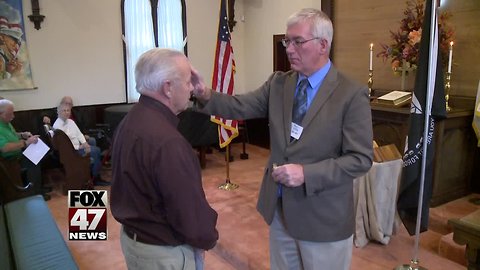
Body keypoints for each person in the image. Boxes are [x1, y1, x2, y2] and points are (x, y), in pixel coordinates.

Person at [191, 8, 373, 270]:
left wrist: (306, 174)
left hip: (323, 218)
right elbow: (240, 105)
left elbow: (360, 159)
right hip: (280, 210)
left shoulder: (351, 94)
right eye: (287, 41)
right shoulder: (279, 83)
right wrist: (205, 94)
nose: (289, 49)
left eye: (297, 41)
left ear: (323, 45)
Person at [110, 48, 218, 270]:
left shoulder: (132, 119)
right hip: (162, 253)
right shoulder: (168, 142)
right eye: (188, 81)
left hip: (135, 241)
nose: (191, 88)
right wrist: (208, 236)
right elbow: (190, 216)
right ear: (168, 87)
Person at [0, 99, 51, 200]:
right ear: (1, 114)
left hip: (18, 153)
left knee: (39, 157)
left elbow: (13, 135)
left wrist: (23, 135)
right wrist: (26, 143)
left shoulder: (6, 122)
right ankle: (34, 193)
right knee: (33, 162)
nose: (13, 116)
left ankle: (38, 187)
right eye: (10, 114)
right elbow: (4, 148)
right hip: (10, 160)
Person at [52, 103, 109, 186]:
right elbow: (65, 146)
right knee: (97, 150)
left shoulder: (70, 121)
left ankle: (91, 172)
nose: (66, 112)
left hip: (76, 146)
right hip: (72, 152)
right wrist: (80, 147)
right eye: (64, 111)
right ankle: (96, 178)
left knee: (92, 141)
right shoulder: (58, 127)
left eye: (68, 110)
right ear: (58, 112)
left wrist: (85, 143)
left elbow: (79, 134)